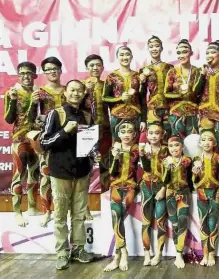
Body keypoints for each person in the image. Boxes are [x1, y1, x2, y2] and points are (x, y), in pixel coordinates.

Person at [39, 80, 96, 270]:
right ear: (65, 92)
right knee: (60, 215)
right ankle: (62, 251)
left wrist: (93, 153)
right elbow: (44, 143)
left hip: (82, 171)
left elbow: (90, 144)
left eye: (80, 90)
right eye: (72, 90)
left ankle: (79, 249)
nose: (76, 93)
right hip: (60, 171)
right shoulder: (56, 113)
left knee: (79, 214)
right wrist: (64, 131)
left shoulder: (87, 115)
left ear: (83, 93)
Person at [4, 61, 40, 226]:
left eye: (29, 73)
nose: (26, 76)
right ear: (19, 75)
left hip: (35, 137)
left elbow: (37, 118)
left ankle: (32, 207)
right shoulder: (12, 92)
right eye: (22, 73)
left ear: (35, 75)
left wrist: (35, 103)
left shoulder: (39, 92)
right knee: (19, 175)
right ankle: (17, 212)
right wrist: (12, 101)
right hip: (19, 139)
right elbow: (9, 119)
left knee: (35, 174)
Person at [32, 56, 66, 227]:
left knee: (73, 176)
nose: (52, 72)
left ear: (61, 70)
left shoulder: (69, 90)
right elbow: (33, 119)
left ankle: (79, 210)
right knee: (45, 176)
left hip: (67, 139)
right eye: (48, 69)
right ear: (44, 73)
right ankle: (47, 211)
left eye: (55, 68)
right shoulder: (40, 92)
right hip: (48, 140)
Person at [104, 121, 139, 272]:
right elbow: (111, 172)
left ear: (134, 135)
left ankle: (118, 254)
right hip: (116, 186)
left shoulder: (138, 150)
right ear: (118, 134)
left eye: (129, 131)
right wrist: (114, 157)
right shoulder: (113, 149)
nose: (126, 134)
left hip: (131, 187)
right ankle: (122, 252)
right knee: (115, 214)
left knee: (118, 216)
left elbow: (143, 170)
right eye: (123, 131)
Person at [82, 54, 112, 217]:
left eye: (98, 65)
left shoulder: (106, 85)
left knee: (106, 168)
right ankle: (84, 208)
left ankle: (106, 206)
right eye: (92, 65)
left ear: (102, 67)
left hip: (105, 130)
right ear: (87, 68)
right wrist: (85, 92)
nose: (95, 68)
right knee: (85, 170)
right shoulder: (80, 85)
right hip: (86, 130)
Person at [191, 125, 219, 267]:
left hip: (215, 193)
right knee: (203, 224)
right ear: (199, 143)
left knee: (213, 224)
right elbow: (193, 181)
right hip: (201, 193)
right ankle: (205, 252)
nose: (206, 142)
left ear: (215, 143)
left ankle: (212, 253)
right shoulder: (197, 158)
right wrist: (194, 173)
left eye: (209, 140)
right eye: (203, 140)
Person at [158, 136, 193, 269]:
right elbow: (164, 181)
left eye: (177, 145)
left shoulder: (187, 161)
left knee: (183, 221)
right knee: (175, 223)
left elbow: (191, 178)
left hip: (184, 193)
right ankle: (178, 251)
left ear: (182, 147)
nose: (174, 148)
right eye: (171, 146)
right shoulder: (165, 161)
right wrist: (168, 168)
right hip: (170, 193)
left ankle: (179, 253)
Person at [193, 40, 219, 151]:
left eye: (213, 52)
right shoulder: (200, 71)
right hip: (204, 113)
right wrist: (202, 75)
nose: (209, 55)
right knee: (205, 146)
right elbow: (195, 92)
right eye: (207, 53)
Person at [102, 46, 147, 142]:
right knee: (117, 146)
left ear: (131, 57)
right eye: (121, 55)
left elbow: (142, 99)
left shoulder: (137, 76)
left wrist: (143, 119)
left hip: (135, 115)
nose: (125, 57)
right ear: (117, 57)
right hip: (117, 116)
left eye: (127, 54)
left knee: (134, 147)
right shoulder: (112, 76)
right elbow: (105, 97)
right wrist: (119, 98)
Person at [139, 122, 169, 266]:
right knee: (146, 221)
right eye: (150, 133)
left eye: (157, 133)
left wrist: (164, 188)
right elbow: (145, 168)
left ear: (162, 135)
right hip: (146, 186)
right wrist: (143, 155)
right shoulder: (144, 149)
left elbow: (171, 173)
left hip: (161, 187)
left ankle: (158, 254)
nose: (153, 136)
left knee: (161, 220)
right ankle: (146, 253)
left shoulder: (167, 150)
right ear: (147, 134)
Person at [164, 39, 201, 140]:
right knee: (177, 143)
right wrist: (180, 95)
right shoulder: (172, 72)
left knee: (193, 144)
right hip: (176, 113)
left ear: (191, 53)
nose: (181, 55)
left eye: (185, 52)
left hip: (193, 113)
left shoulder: (197, 71)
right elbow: (166, 94)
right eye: (179, 53)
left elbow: (201, 93)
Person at [139, 36, 174, 142]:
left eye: (157, 46)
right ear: (148, 49)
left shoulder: (170, 68)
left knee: (168, 138)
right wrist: (143, 119)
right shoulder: (144, 70)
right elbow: (141, 96)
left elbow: (174, 89)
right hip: (152, 109)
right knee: (154, 139)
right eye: (151, 46)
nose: (154, 49)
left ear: (161, 48)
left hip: (169, 108)